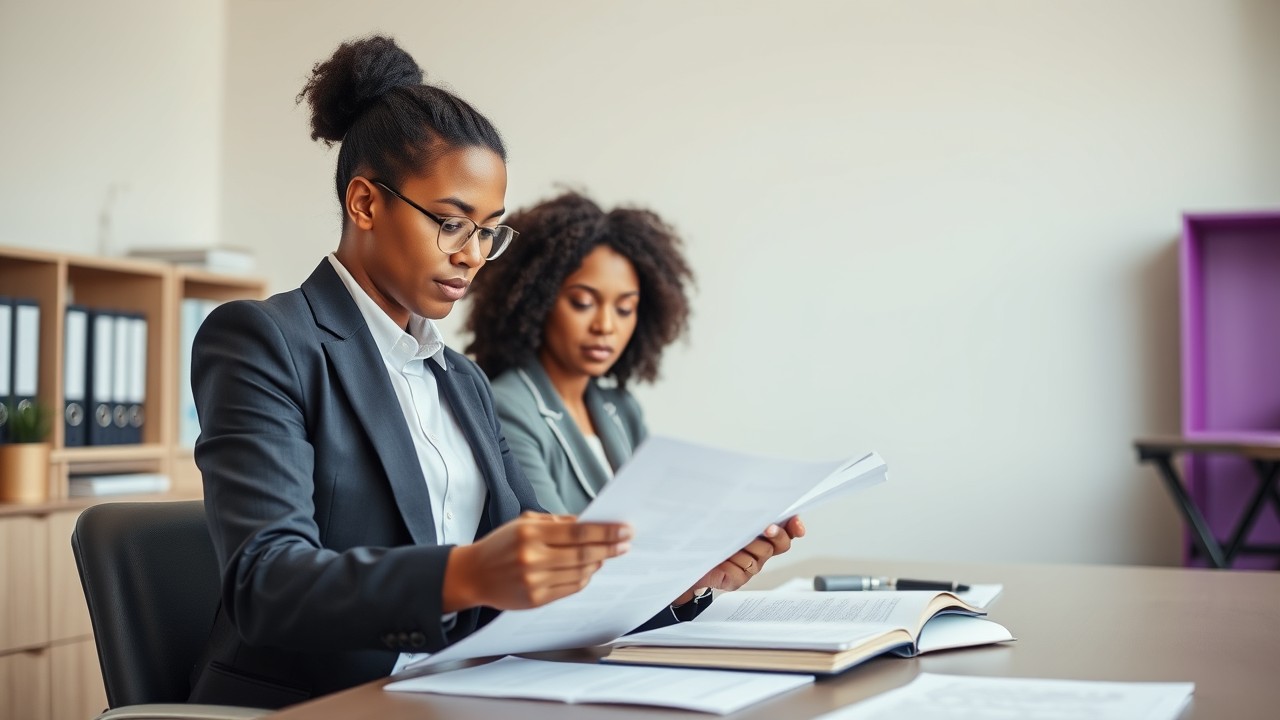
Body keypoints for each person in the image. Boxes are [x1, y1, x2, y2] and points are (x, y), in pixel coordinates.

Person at [188, 36, 796, 709]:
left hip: (456, 692)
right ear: (365, 204)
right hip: (318, 703)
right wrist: (465, 572)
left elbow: (548, 567)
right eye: (452, 224)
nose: (473, 257)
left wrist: (680, 577)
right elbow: (266, 585)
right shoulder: (264, 340)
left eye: (489, 232)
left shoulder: (462, 380)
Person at [465, 191, 807, 543]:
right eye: (583, 303)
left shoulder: (621, 409)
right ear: (536, 302)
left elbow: (658, 526)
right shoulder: (507, 405)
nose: (606, 326)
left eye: (625, 308)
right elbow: (554, 548)